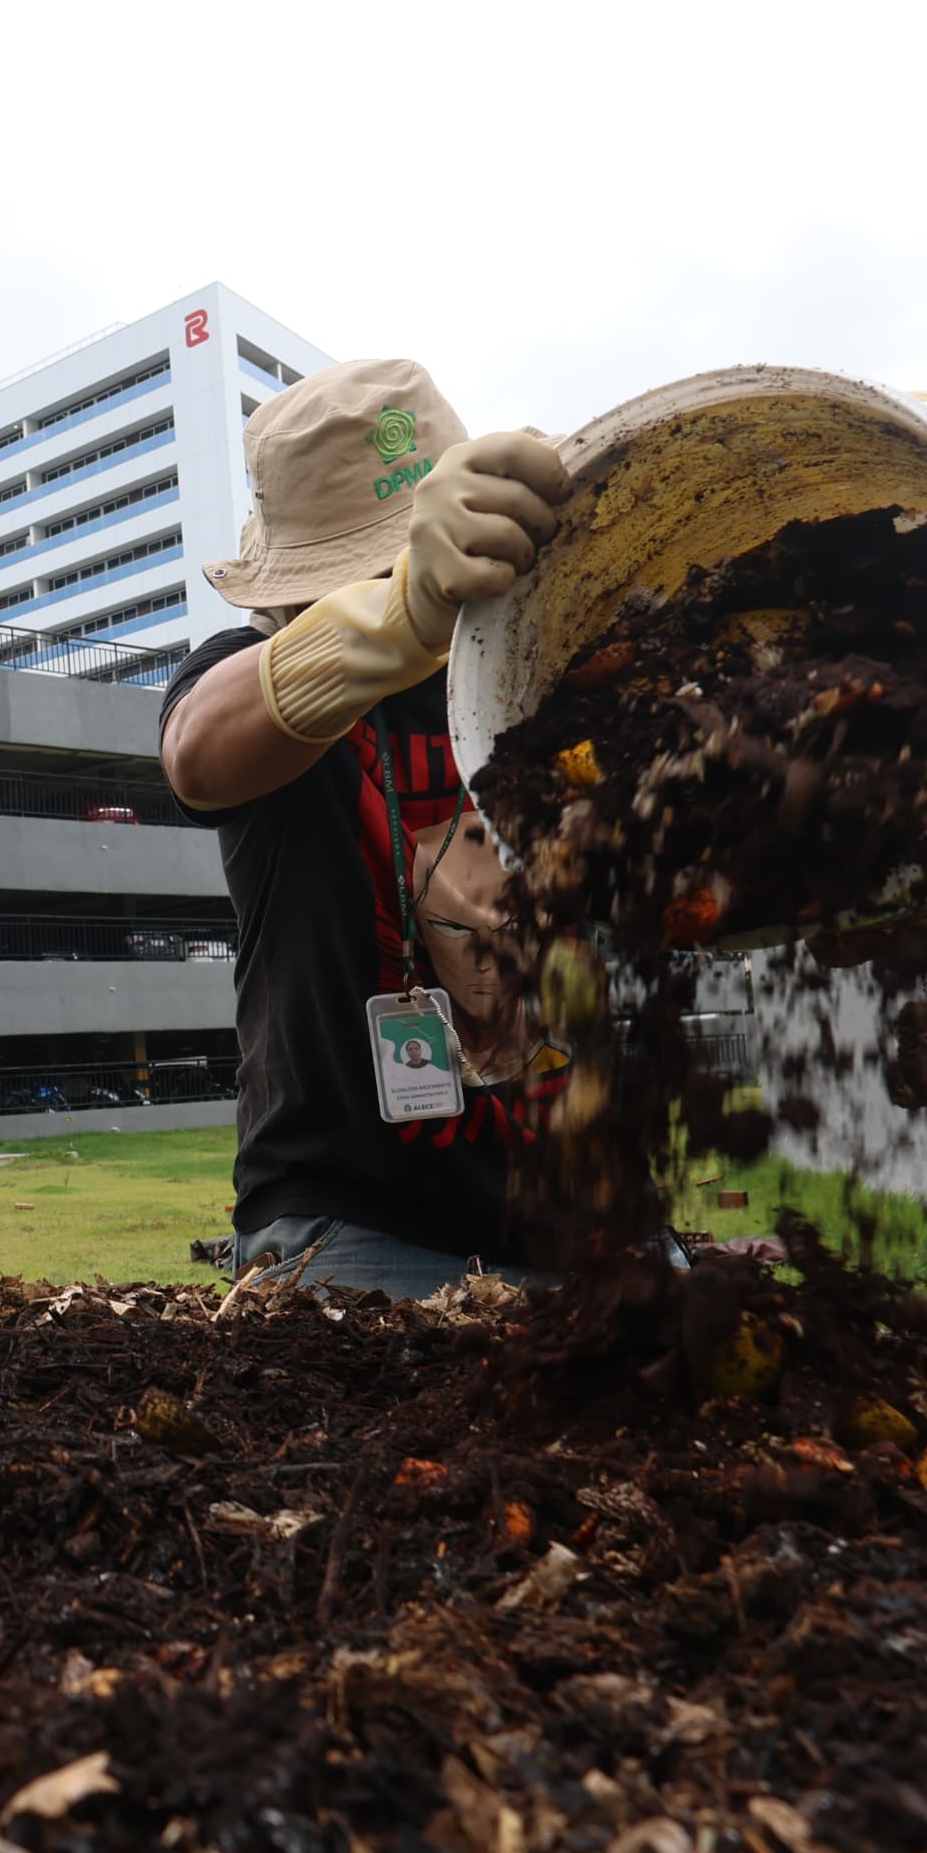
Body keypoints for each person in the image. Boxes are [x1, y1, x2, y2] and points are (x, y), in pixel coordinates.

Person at [158, 358, 574, 1297]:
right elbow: (195, 749)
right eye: (372, 570)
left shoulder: (551, 669)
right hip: (354, 1220)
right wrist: (395, 619)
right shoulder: (256, 667)